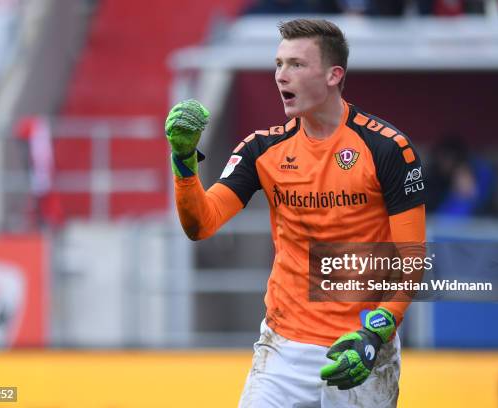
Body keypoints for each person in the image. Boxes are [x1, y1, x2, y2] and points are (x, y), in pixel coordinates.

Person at [165, 19, 426, 407]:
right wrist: (184, 162)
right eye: (278, 64)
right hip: (282, 350)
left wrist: (376, 334)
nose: (281, 76)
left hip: (360, 348)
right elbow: (201, 224)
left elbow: (412, 259)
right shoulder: (262, 150)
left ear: (334, 75)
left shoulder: (388, 149)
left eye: (296, 65)